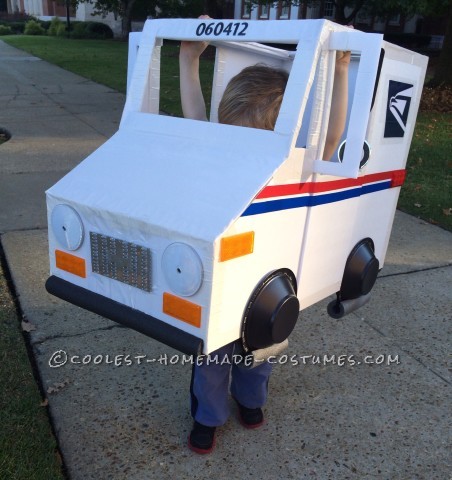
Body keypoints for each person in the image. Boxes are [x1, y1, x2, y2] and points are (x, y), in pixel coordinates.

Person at [179, 20, 351, 454]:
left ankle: (251, 400)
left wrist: (341, 71)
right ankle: (208, 416)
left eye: (250, 138)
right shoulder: (217, 154)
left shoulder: (292, 166)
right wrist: (187, 58)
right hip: (221, 286)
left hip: (269, 288)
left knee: (262, 352)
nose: (239, 146)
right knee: (212, 359)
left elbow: (331, 140)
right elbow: (194, 120)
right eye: (233, 133)